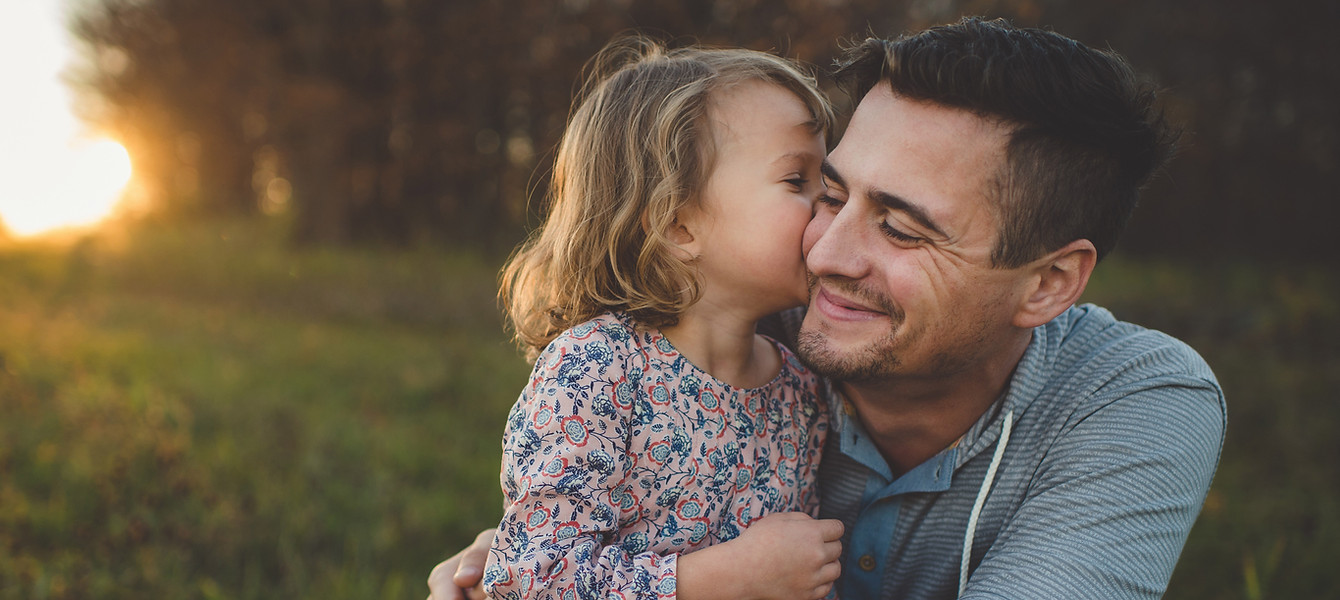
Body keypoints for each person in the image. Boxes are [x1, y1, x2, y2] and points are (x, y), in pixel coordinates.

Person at [431, 17, 1226, 600]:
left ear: (1048, 283)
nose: (827, 253)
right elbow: (549, 558)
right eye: (830, 192)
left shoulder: (1137, 401)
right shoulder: (740, 320)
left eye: (904, 229)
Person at [480, 38, 845, 600]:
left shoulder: (800, 386)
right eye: (798, 180)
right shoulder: (598, 370)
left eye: (828, 179)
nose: (831, 202)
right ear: (678, 226)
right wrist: (731, 577)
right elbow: (530, 579)